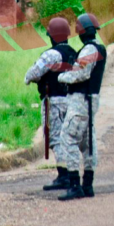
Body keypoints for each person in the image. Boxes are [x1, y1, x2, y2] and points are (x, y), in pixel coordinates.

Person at [54, 13, 108, 200]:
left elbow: (80, 74)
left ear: (82, 32)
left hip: (80, 100)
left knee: (67, 138)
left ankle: (75, 184)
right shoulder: (100, 48)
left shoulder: (88, 51)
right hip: (91, 100)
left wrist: (62, 76)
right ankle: (88, 184)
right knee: (88, 142)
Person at [24, 17, 77, 191]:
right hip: (72, 100)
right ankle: (71, 174)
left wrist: (30, 79)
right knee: (68, 138)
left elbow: (32, 74)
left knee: (55, 138)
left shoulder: (51, 54)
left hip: (53, 101)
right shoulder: (73, 53)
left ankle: (63, 176)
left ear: (53, 36)